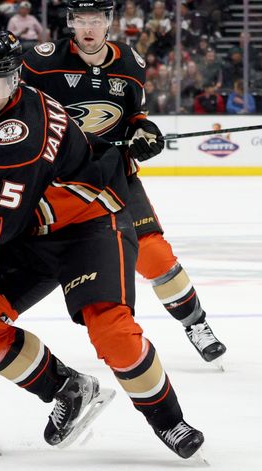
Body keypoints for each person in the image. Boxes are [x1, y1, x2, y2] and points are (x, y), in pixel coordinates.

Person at [0, 30, 205, 460]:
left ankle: (170, 422)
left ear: (14, 81)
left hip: (88, 226)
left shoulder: (20, 136)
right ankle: (69, 388)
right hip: (33, 231)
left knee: (112, 331)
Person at [18, 0, 226, 365]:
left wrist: (144, 130)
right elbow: (11, 102)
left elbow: (134, 116)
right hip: (59, 181)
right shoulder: (40, 62)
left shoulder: (130, 63)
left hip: (114, 175)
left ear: (109, 22)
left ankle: (196, 323)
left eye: (96, 20)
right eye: (80, 20)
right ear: (70, 22)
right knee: (38, 260)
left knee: (154, 252)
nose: (88, 28)